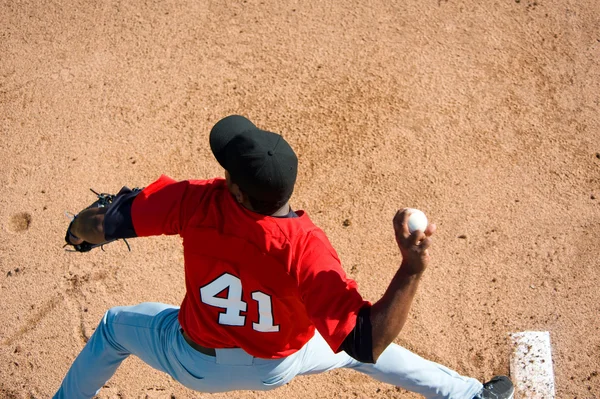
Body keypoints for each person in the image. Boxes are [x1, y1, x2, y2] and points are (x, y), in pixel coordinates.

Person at [55, 115, 514, 399]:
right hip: (279, 364)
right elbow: (367, 341)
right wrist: (411, 271)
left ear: (236, 188)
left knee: (115, 326)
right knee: (352, 351)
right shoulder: (306, 245)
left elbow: (101, 226)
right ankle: (470, 397)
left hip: (194, 361)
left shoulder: (195, 202)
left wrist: (77, 232)